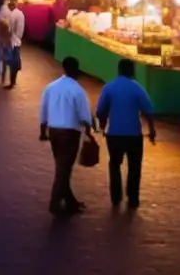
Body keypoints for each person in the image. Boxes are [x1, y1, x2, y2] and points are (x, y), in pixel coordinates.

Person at [96, 59, 156, 209]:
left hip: (114, 133)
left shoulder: (109, 87)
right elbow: (148, 110)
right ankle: (133, 197)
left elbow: (100, 111)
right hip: (134, 134)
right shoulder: (137, 88)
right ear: (132, 71)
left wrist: (103, 125)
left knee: (114, 164)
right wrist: (152, 129)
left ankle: (116, 197)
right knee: (134, 166)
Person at [39, 56, 94, 215]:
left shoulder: (51, 87)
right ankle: (54, 203)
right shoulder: (78, 90)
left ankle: (70, 201)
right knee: (63, 170)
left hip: (54, 131)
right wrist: (89, 132)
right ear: (76, 70)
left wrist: (43, 131)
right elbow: (85, 116)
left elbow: (43, 110)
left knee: (62, 167)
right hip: (70, 133)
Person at [3, 0, 25, 89]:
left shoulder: (12, 15)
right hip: (18, 40)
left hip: (13, 41)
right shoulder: (21, 13)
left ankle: (12, 82)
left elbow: (10, 29)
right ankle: (13, 81)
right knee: (15, 61)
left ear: (10, 6)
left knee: (12, 62)